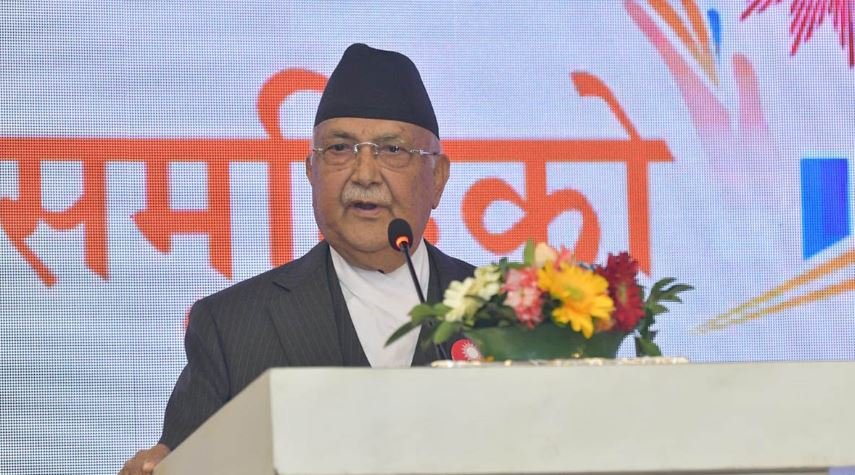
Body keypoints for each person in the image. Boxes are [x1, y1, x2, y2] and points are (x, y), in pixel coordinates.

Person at [119, 43, 474, 474]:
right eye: (340, 148)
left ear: (437, 178)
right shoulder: (231, 325)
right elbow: (183, 460)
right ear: (311, 171)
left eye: (393, 151)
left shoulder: (509, 312)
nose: (364, 174)